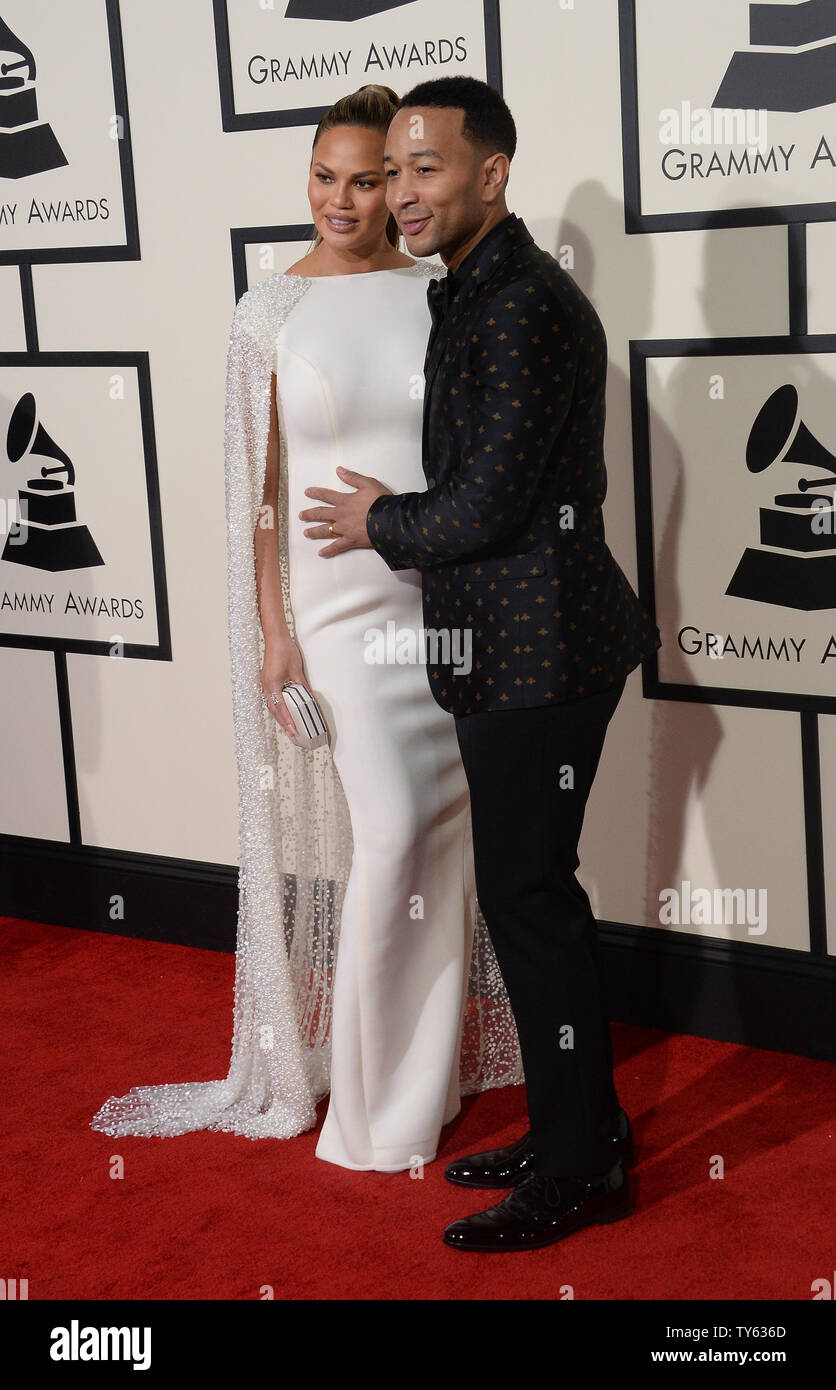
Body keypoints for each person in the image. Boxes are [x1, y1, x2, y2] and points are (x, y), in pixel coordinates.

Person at [91, 84, 522, 1171]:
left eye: (366, 178)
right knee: (388, 837)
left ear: (401, 186)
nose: (342, 198)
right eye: (323, 178)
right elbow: (264, 496)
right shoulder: (265, 312)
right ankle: (368, 1116)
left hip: (439, 595)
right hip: (336, 611)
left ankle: (421, 1083)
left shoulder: (440, 293)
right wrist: (273, 635)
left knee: (438, 839)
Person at [298, 75, 662, 1245]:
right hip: (506, 646)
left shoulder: (518, 306)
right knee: (528, 899)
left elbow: (485, 506)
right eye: (388, 170)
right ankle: (582, 1128)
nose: (401, 192)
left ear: (490, 173)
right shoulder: (471, 283)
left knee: (531, 902)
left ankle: (578, 1168)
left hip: (539, 652)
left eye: (424, 169)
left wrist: (376, 523)